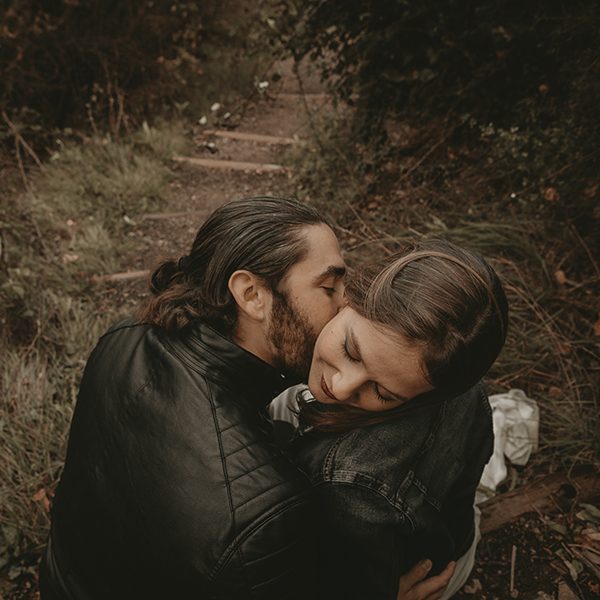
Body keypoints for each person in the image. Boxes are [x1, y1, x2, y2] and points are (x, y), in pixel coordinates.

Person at [39, 197, 451, 600]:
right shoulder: (260, 519)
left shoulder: (124, 335)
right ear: (252, 294)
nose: (347, 304)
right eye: (329, 286)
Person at [269, 239, 509, 600]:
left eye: (383, 393)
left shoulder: (347, 482)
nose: (340, 385)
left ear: (424, 396)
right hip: (455, 537)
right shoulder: (456, 368)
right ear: (350, 295)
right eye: (351, 350)